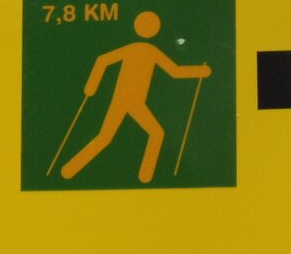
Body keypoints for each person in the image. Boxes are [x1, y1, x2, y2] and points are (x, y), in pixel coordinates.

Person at [61, 10, 210, 183]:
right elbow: (175, 71)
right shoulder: (147, 50)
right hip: (128, 102)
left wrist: (92, 86)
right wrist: (91, 87)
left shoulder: (141, 49)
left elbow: (103, 60)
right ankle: (143, 176)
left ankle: (71, 170)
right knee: (151, 134)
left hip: (130, 102)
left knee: (110, 137)